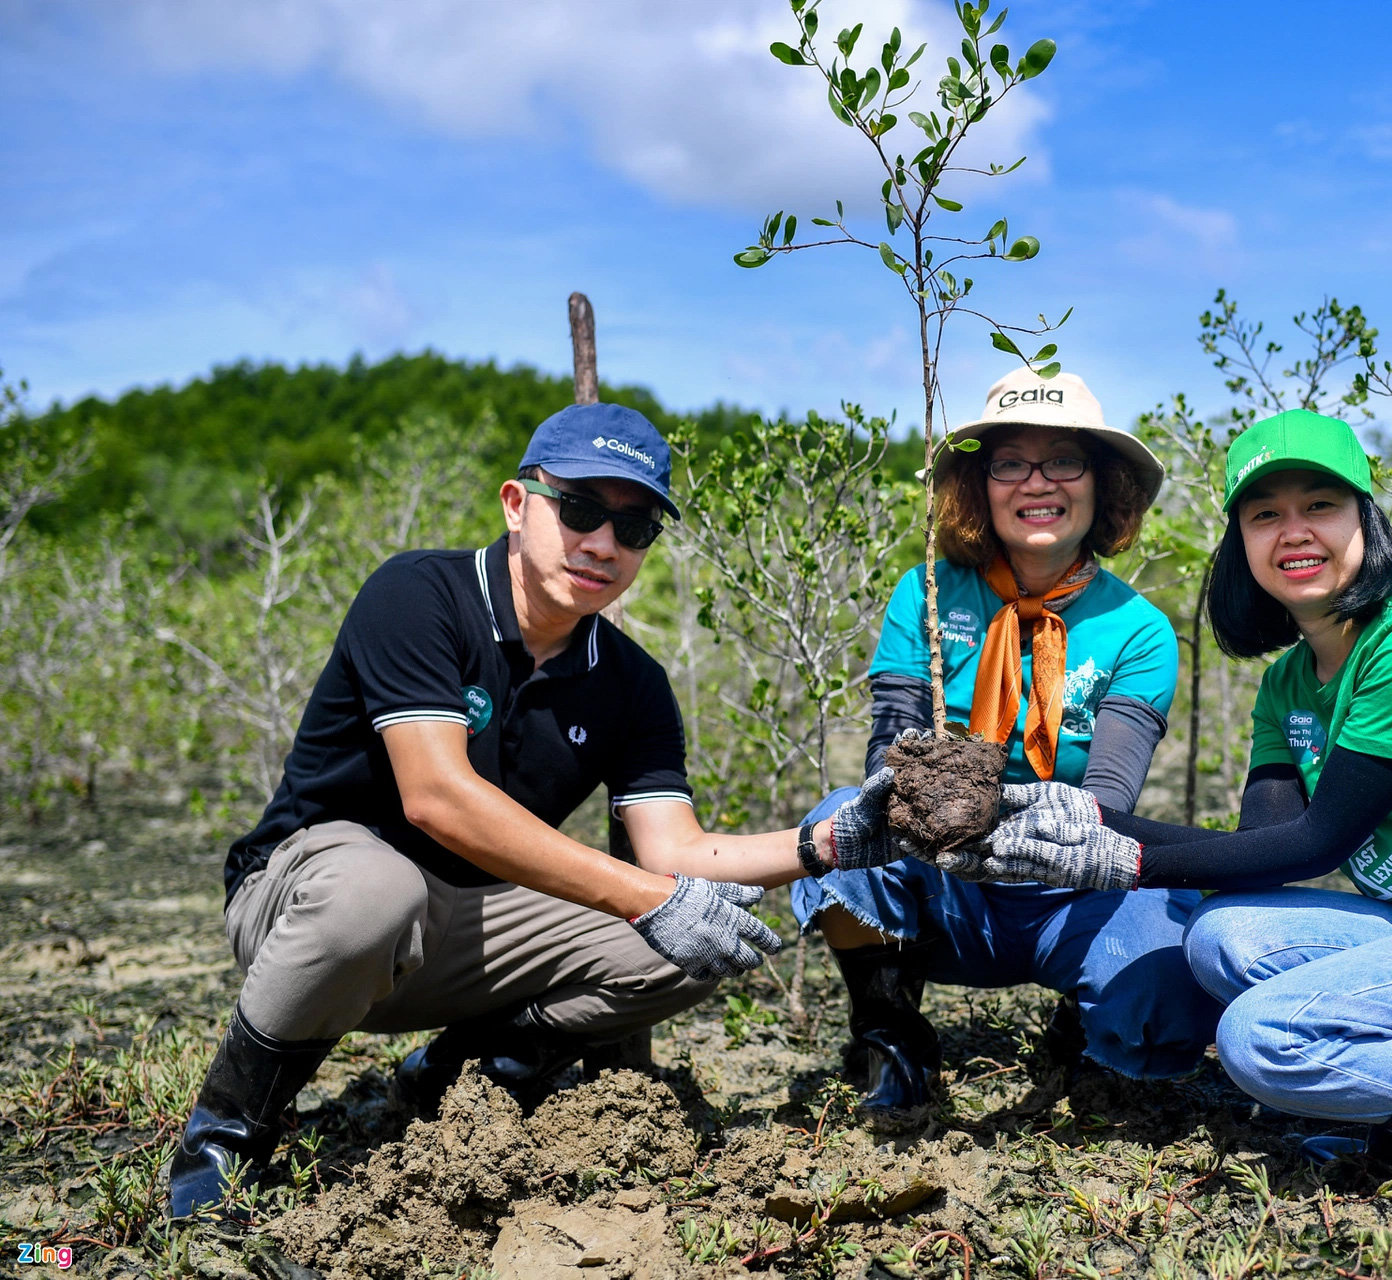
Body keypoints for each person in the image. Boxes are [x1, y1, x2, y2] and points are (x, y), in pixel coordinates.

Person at [170, 402, 899, 1218]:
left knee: (704, 931)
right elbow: (437, 799)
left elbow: (673, 853)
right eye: (581, 510)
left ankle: (466, 1077)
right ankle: (226, 1140)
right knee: (380, 893)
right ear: (517, 504)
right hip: (313, 902)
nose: (603, 544)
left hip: (471, 925)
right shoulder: (418, 595)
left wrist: (826, 842)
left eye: (634, 528)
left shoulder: (632, 682)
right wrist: (645, 895)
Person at [934, 409, 1392, 1200]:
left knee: (1261, 1038)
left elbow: (1317, 843)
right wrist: (1062, 819)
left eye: (1320, 507)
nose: (1294, 532)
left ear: (1366, 521)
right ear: (1240, 544)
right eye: (1265, 515)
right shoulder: (1288, 682)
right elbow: (1263, 848)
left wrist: (1111, 855)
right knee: (1222, 937)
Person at [790, 367, 1223, 1123]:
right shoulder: (924, 592)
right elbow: (887, 744)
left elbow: (1111, 797)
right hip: (948, 880)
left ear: (1103, 482)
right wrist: (925, 811)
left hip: (1074, 883)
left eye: (1064, 460)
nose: (1037, 483)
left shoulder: (1139, 630)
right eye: (1009, 463)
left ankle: (1086, 1033)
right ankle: (891, 1036)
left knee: (1162, 1016)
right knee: (837, 833)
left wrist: (1028, 830)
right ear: (977, 484)